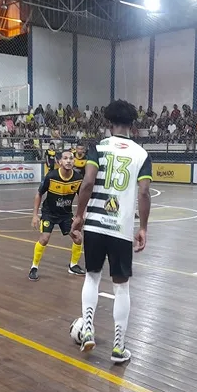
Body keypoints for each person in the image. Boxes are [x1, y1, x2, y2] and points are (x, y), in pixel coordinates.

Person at [70, 100, 152, 364]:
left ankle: (89, 329)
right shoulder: (141, 154)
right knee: (122, 287)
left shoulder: (98, 148)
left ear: (108, 122)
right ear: (132, 125)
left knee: (92, 277)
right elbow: (144, 192)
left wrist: (79, 216)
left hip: (95, 226)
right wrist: (143, 228)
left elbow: (88, 183)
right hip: (121, 230)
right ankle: (118, 347)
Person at [29, 150, 86, 281]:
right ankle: (34, 267)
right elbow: (39, 194)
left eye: (71, 158)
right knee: (44, 238)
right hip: (49, 213)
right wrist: (35, 215)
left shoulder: (78, 179)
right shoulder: (51, 176)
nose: (69, 161)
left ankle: (73, 265)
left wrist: (81, 215)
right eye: (65, 158)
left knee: (77, 237)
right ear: (59, 162)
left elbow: (83, 197)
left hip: (66, 214)